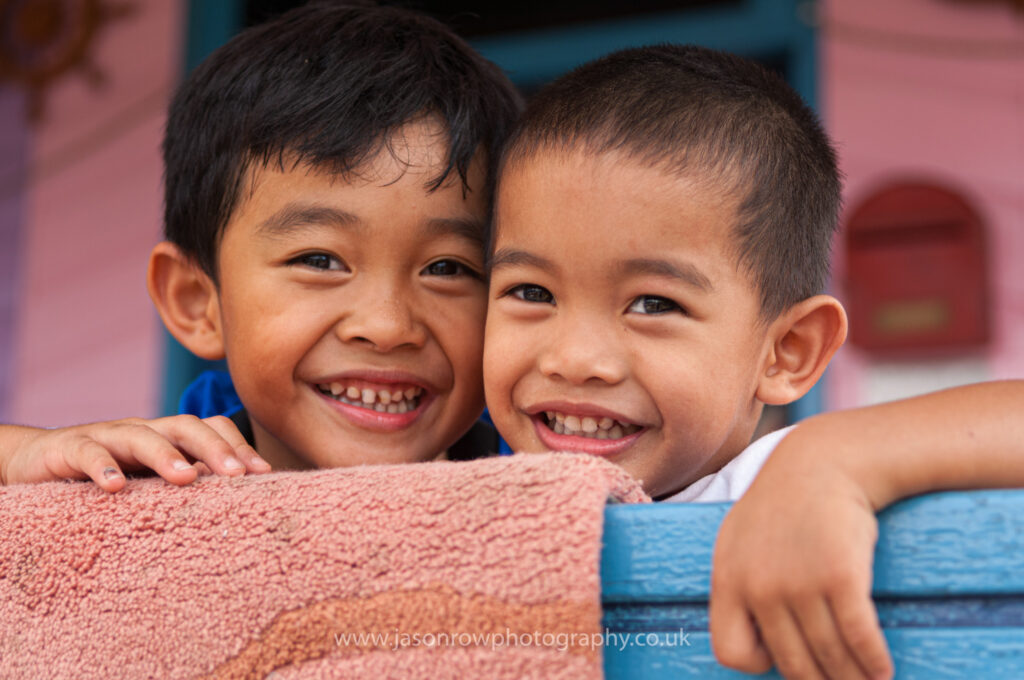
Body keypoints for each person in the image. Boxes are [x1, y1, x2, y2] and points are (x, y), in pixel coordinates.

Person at [481, 44, 1024, 680]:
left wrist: (834, 459)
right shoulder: (471, 497)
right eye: (531, 292)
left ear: (787, 352)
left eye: (654, 303)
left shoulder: (774, 486)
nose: (574, 359)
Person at [0, 1, 522, 491]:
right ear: (196, 301)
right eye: (320, 260)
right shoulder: (176, 463)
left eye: (448, 268)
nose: (387, 328)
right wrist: (24, 453)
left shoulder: (530, 463)